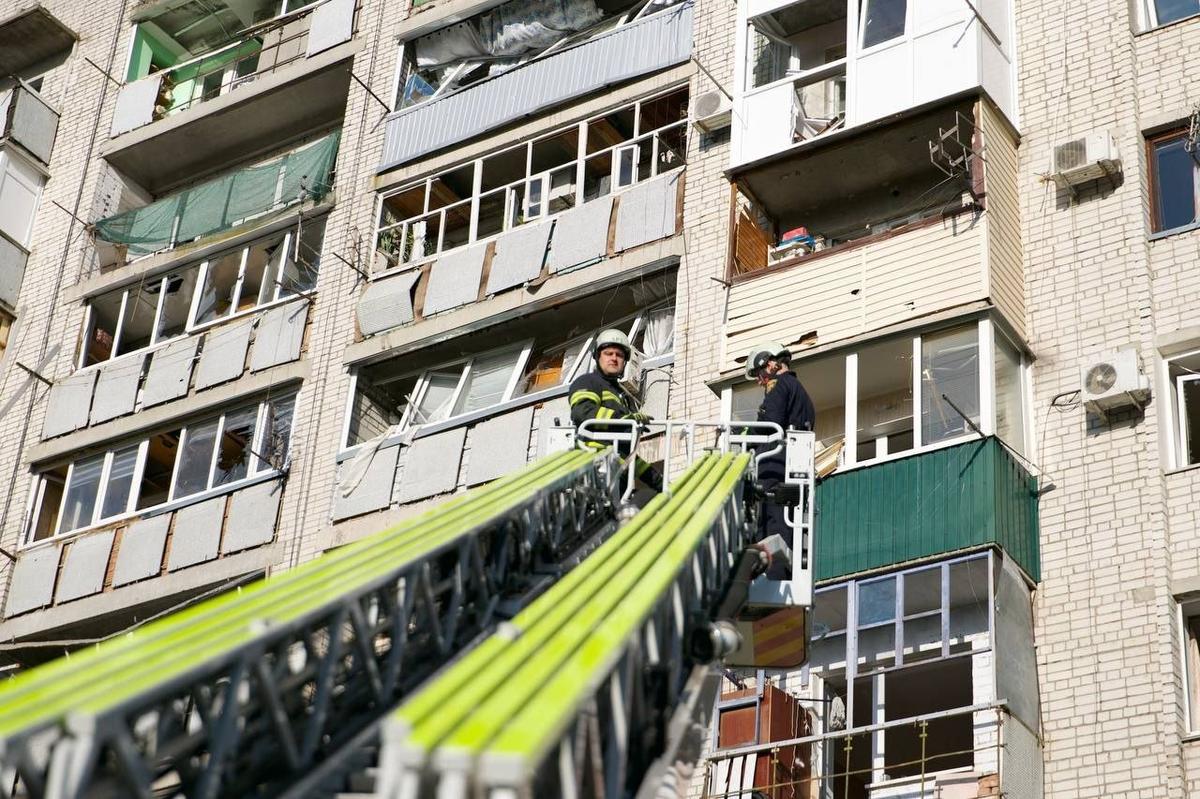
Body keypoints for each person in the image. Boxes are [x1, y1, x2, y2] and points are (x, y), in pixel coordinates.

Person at [746, 342, 815, 578]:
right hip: (791, 471)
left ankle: (773, 579)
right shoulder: (801, 391)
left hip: (774, 470)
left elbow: (769, 424)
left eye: (758, 373)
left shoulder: (779, 385)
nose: (758, 381)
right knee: (787, 533)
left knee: (771, 531)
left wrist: (740, 436)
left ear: (772, 363)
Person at [569, 329, 664, 492]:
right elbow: (583, 414)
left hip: (616, 477)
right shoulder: (587, 382)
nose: (614, 358)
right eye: (608, 353)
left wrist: (658, 482)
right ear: (597, 356)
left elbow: (625, 452)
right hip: (592, 467)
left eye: (619, 355)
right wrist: (625, 420)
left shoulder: (621, 396)